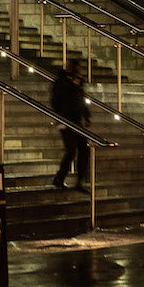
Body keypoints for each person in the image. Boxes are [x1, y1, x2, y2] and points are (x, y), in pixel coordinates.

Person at [51, 58, 92, 192]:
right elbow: (58, 101)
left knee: (84, 150)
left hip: (77, 121)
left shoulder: (78, 82)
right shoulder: (61, 82)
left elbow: (80, 99)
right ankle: (59, 178)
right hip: (66, 121)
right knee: (71, 151)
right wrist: (61, 119)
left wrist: (86, 115)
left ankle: (79, 181)